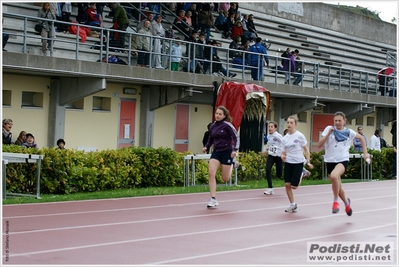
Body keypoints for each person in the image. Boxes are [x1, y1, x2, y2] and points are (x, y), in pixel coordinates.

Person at [317, 111, 370, 216]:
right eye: (335, 120)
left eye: (339, 121)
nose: (337, 122)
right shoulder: (329, 129)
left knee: (334, 176)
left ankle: (335, 201)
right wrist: (328, 134)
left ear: (344, 121)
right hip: (330, 160)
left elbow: (362, 138)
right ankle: (347, 203)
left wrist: (365, 153)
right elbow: (319, 145)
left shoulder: (349, 132)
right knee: (338, 186)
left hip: (342, 160)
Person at [203, 106, 240, 208]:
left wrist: (235, 150)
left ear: (224, 116)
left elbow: (236, 137)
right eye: (216, 113)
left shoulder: (227, 125)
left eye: (220, 114)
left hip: (227, 152)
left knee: (225, 178)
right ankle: (213, 198)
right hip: (216, 152)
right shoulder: (213, 126)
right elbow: (210, 139)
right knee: (211, 173)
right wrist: (206, 146)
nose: (217, 115)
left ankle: (233, 163)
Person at [281, 116, 313, 212]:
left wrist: (308, 162)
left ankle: (302, 173)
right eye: (288, 122)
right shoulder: (285, 138)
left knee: (294, 187)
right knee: (287, 184)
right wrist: (282, 156)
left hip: (298, 162)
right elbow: (282, 152)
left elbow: (306, 150)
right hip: (288, 162)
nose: (289, 124)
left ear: (295, 124)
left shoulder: (300, 136)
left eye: (291, 123)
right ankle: (292, 204)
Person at [263, 121, 283, 195]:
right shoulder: (268, 136)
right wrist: (266, 149)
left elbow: (284, 143)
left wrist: (284, 153)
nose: (270, 128)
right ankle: (270, 188)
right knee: (268, 168)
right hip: (271, 155)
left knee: (279, 174)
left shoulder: (278, 136)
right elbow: (270, 145)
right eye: (269, 126)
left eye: (271, 127)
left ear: (275, 128)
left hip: (278, 156)